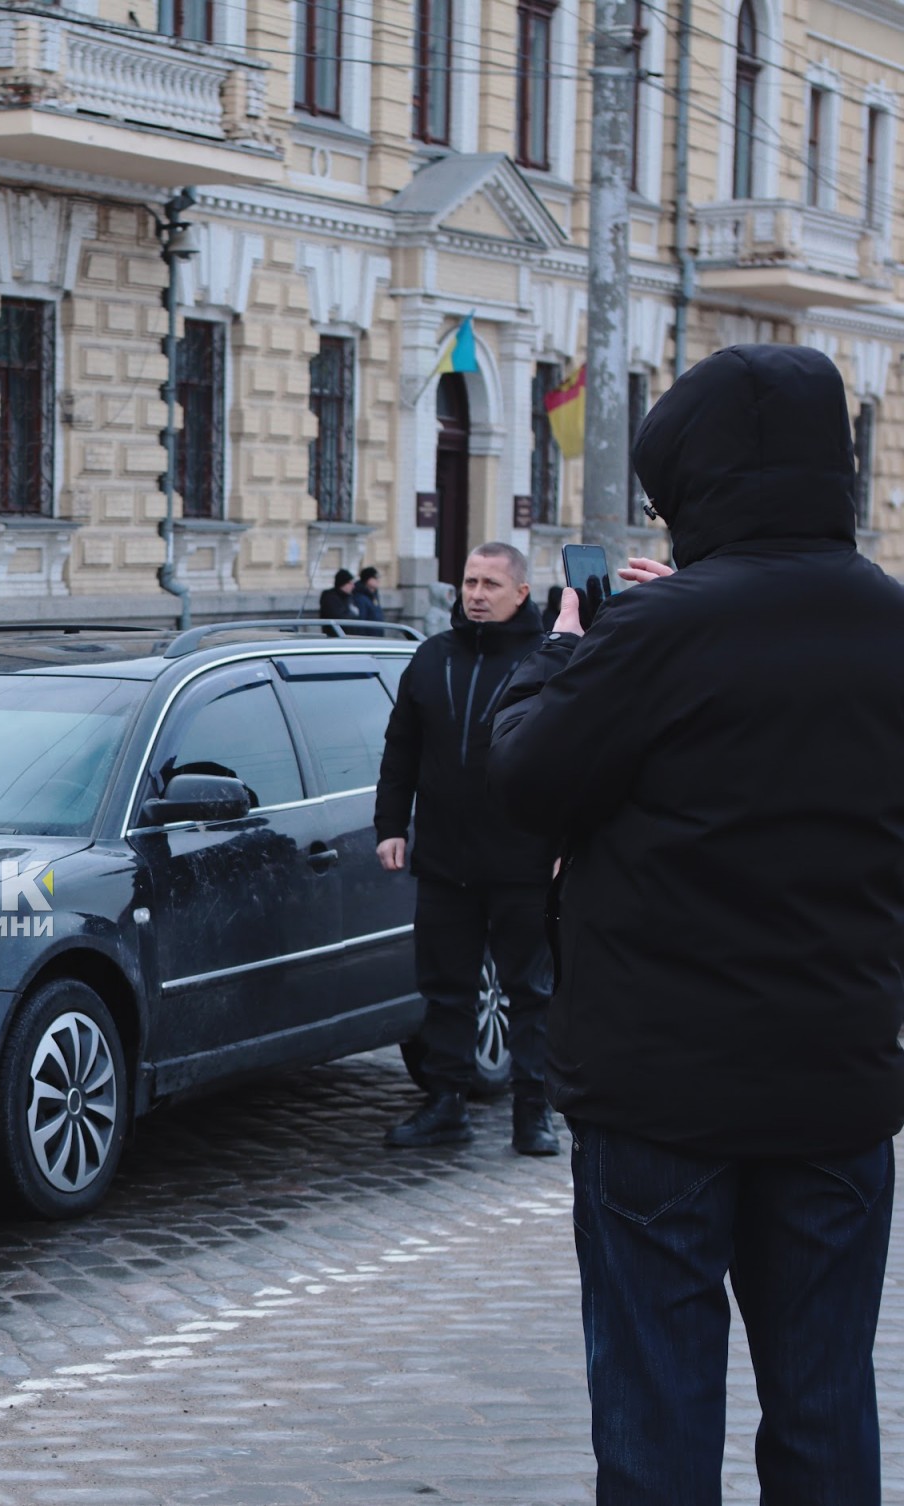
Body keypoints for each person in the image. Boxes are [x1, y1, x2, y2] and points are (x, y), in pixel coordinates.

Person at [490, 344, 904, 1504]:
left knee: (657, 1413)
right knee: (823, 1405)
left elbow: (524, 780)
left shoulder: (654, 632)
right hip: (834, 1081)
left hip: (657, 1090)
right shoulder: (888, 624)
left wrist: (565, 648)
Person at [374, 542, 556, 1154]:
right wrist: (391, 827)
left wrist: (568, 841)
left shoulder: (549, 660)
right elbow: (401, 751)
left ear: (521, 594)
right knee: (445, 987)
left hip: (524, 861)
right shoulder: (431, 658)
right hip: (445, 860)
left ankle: (534, 1113)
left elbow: (577, 760)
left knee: (530, 991)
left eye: (490, 585)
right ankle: (446, 1105)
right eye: (469, 582)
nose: (476, 594)